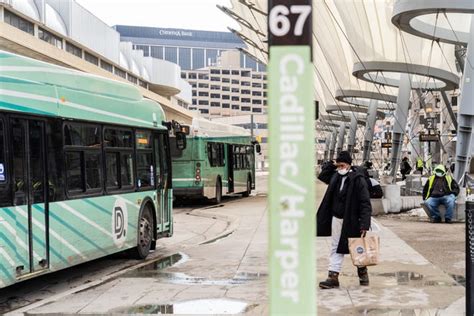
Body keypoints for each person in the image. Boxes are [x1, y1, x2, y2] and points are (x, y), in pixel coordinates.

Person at [317, 151, 372, 289]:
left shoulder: (357, 179)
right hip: (337, 218)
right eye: (338, 165)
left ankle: (362, 272)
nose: (340, 168)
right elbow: (322, 175)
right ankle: (333, 276)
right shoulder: (335, 176)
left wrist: (365, 224)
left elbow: (365, 202)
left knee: (356, 247)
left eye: (342, 165)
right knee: (335, 247)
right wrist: (332, 164)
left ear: (348, 165)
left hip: (352, 219)